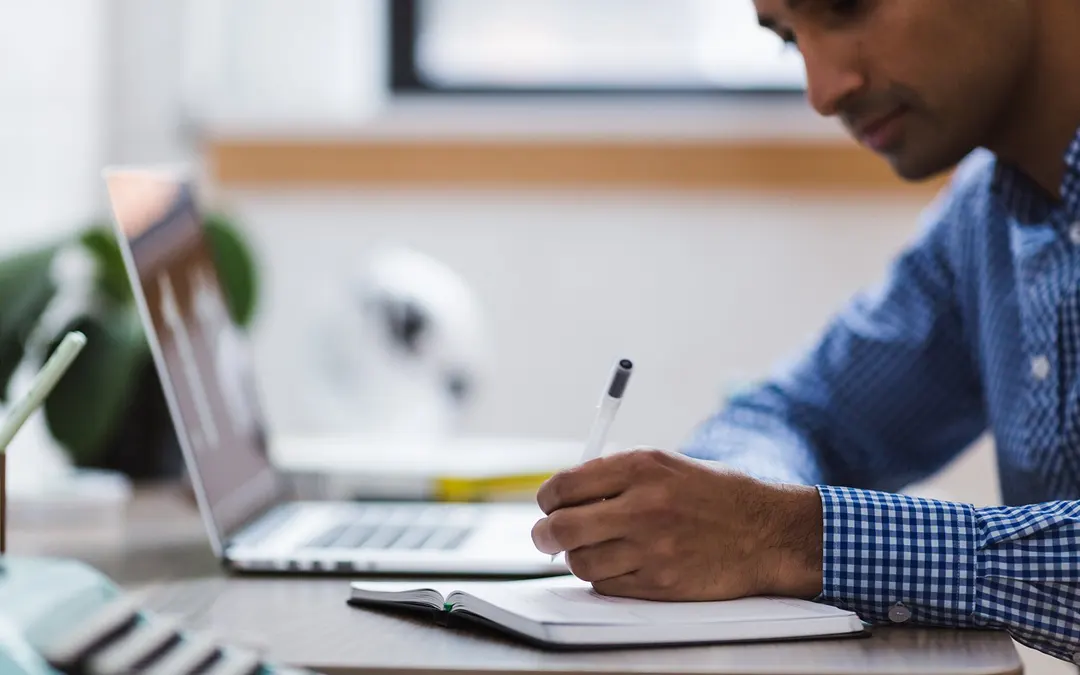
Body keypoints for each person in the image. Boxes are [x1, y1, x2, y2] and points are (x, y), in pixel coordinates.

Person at [529, 0, 1080, 663]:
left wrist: (788, 536)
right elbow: (800, 415)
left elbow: (781, 523)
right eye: (791, 40)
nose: (823, 92)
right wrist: (724, 513)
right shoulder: (984, 219)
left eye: (848, 8)